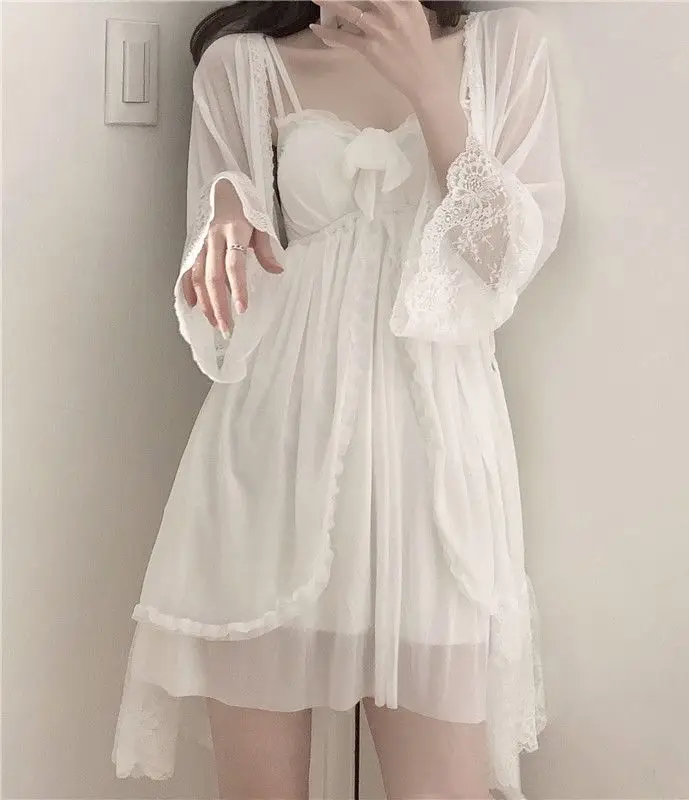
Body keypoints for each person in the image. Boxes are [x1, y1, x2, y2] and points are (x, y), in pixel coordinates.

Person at [111, 1, 566, 798]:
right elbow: (225, 310)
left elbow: (500, 263)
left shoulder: (505, 49)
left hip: (432, 484)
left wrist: (428, 86)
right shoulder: (240, 66)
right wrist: (227, 207)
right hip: (275, 463)